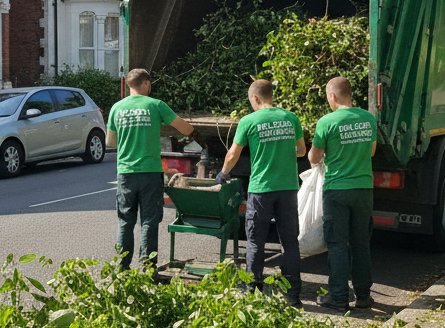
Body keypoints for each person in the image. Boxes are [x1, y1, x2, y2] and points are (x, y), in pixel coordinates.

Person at [218, 79, 306, 306]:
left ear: (255, 98)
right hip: (288, 188)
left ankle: (252, 292)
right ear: (271, 95)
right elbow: (301, 151)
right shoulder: (291, 117)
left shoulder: (248, 121)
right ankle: (293, 295)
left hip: (261, 189)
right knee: (290, 241)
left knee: (256, 240)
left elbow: (233, 155)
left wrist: (223, 173)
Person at [106, 68, 198, 270]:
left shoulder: (116, 108)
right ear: (146, 84)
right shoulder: (156, 105)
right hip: (150, 172)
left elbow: (110, 141)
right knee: (149, 220)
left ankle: (122, 268)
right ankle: (147, 268)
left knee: (125, 222)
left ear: (129, 84)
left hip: (126, 173)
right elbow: (185, 128)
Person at [307, 77, 379, 313]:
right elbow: (371, 151)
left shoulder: (326, 122)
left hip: (337, 190)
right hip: (364, 189)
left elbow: (314, 158)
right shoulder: (369, 118)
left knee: (337, 245)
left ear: (332, 96)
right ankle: (363, 295)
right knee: (361, 243)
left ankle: (338, 297)